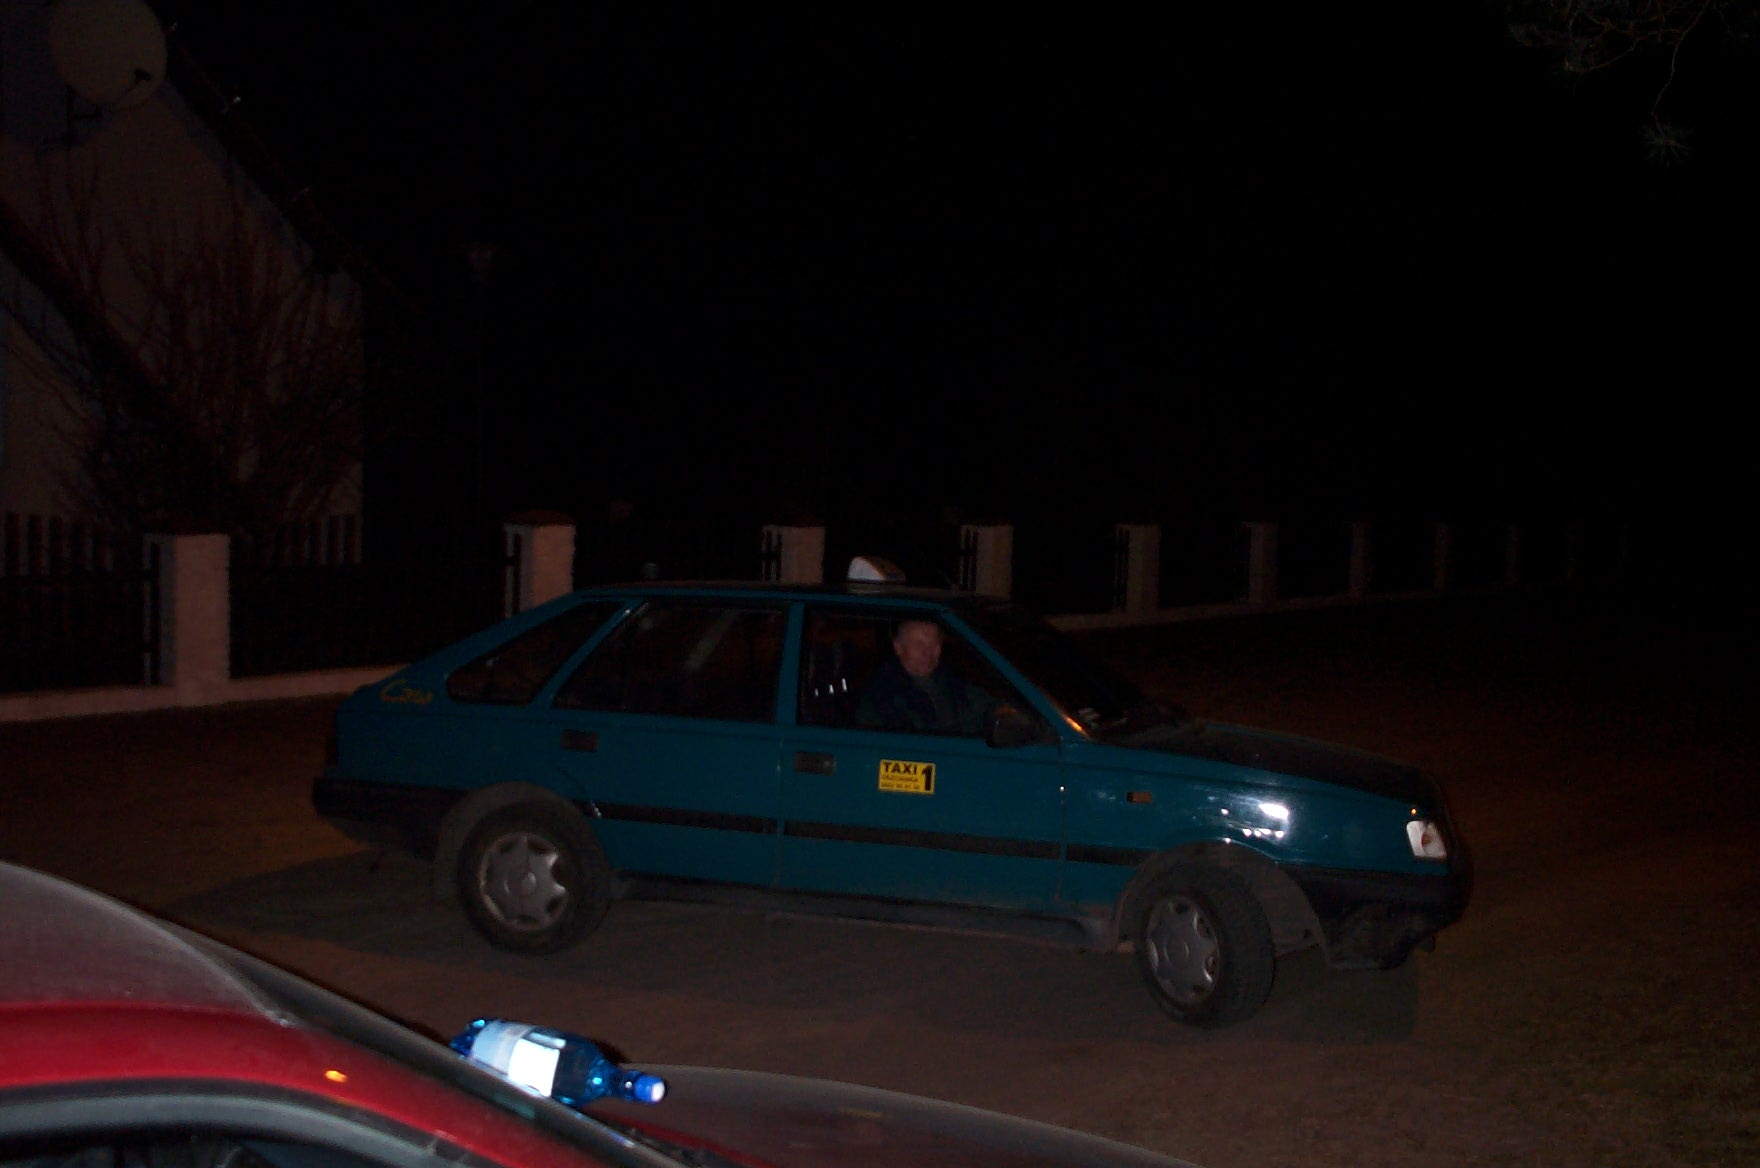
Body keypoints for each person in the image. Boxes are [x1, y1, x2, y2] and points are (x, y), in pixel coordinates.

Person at [855, 619, 997, 735]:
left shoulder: (954, 683)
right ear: (898, 647)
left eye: (934, 645)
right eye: (919, 645)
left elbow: (986, 708)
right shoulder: (881, 693)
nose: (927, 652)